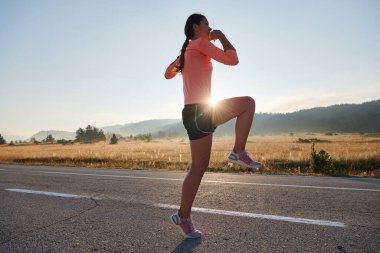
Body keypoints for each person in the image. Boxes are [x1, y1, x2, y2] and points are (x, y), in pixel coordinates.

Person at [164, 13, 262, 239]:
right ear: (197, 27)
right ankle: (238, 152)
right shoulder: (199, 44)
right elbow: (232, 59)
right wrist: (222, 37)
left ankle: (183, 216)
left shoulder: (191, 48)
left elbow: (167, 74)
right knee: (248, 104)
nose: (211, 27)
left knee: (198, 167)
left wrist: (180, 60)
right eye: (207, 24)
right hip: (201, 111)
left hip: (193, 112)